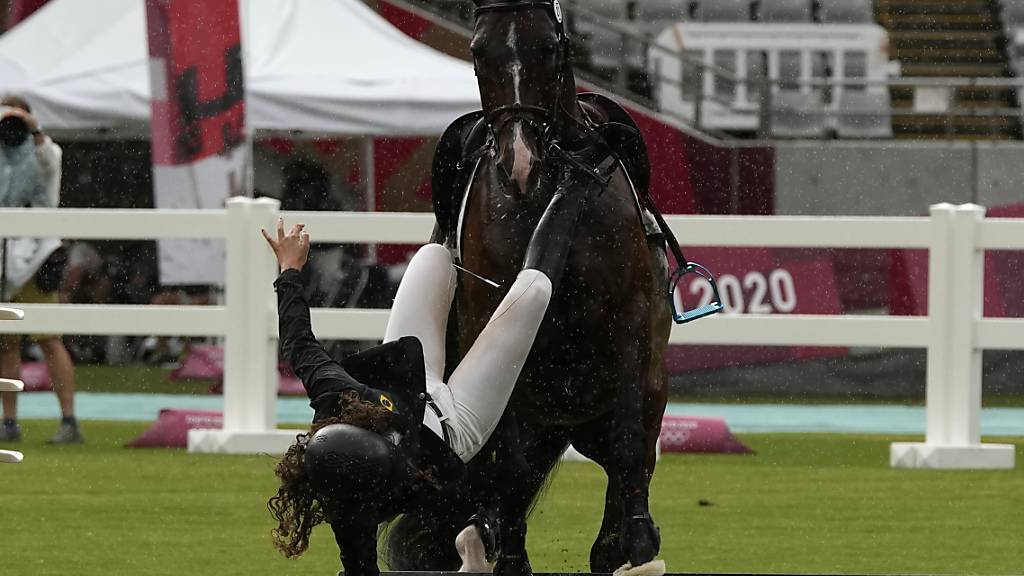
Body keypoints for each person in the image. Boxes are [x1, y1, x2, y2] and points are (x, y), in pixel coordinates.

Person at [264, 151, 603, 575]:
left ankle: (466, 179)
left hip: (415, 381)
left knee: (432, 259)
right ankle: (571, 187)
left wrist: (289, 270)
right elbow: (467, 485)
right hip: (455, 426)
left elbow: (298, 342)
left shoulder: (335, 393)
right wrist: (479, 530)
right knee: (532, 290)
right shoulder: (405, 475)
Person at [0, 95, 81, 444]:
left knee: (49, 339)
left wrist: (33, 130)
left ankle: (68, 420)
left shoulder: (46, 152)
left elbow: (50, 161)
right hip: (4, 257)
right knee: (6, 344)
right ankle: (9, 423)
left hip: (37, 257)